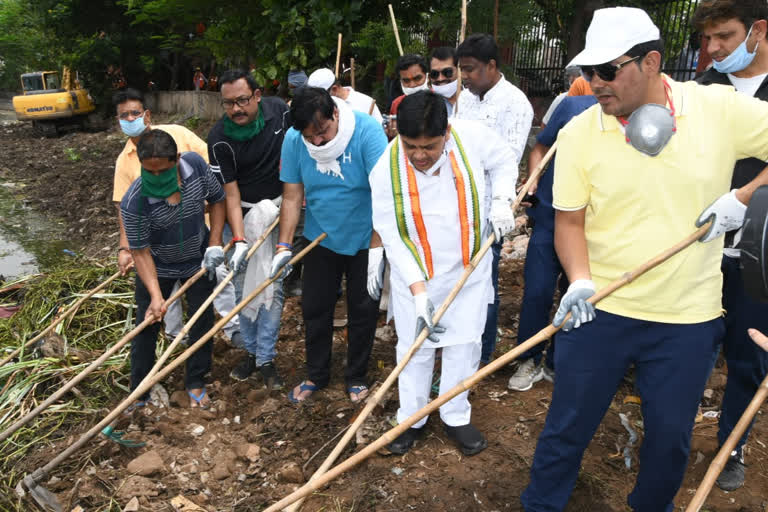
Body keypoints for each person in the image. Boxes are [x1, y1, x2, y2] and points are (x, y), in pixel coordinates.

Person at [520, 7, 768, 511]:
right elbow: (569, 221)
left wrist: (743, 197)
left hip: (686, 320)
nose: (595, 83)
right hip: (600, 310)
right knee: (566, 426)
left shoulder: (717, 109)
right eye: (588, 72)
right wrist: (581, 280)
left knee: (669, 440)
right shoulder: (580, 132)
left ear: (653, 62)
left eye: (608, 70)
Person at [370, 91, 516, 456]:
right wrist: (420, 294)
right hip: (415, 274)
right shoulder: (384, 170)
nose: (419, 156)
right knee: (414, 348)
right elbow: (393, 238)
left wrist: (500, 201)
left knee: (463, 344)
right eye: (410, 146)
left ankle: (455, 414)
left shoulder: (473, 137)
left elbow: (504, 161)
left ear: (446, 132)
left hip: (468, 268)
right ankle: (411, 417)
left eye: (429, 147)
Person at [693, 0, 768, 492]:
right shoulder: (703, 90)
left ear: (757, 30)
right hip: (700, 245)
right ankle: (672, 434)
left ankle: (732, 445)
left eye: (724, 36)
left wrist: (745, 197)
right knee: (693, 343)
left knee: (747, 353)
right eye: (708, 39)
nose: (714, 49)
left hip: (758, 252)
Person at [271, 86, 387, 403]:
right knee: (315, 307)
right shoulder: (295, 141)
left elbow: (384, 195)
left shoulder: (366, 132)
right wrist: (283, 247)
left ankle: (356, 376)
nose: (318, 141)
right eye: (311, 137)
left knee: (363, 307)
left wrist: (377, 249)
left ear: (334, 112)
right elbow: (293, 197)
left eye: (322, 131)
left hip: (366, 235)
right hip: (321, 236)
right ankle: (316, 375)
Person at [112, 88, 240, 346]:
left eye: (134, 113)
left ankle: (232, 328)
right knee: (166, 295)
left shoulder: (178, 136)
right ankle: (176, 338)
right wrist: (125, 247)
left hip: (198, 231)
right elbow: (124, 208)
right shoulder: (124, 161)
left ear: (146, 115)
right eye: (123, 116)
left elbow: (210, 172)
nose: (129, 119)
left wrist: (205, 216)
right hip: (161, 242)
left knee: (218, 278)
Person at [120, 129, 226, 409]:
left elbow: (217, 199)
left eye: (163, 172)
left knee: (201, 322)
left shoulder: (195, 166)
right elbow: (140, 252)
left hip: (198, 260)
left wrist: (214, 243)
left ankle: (195, 381)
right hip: (158, 267)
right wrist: (156, 296)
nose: (156, 178)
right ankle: (139, 393)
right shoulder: (135, 201)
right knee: (147, 327)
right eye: (149, 172)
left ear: (176, 159)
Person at [507, 94, 597, 392]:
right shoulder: (574, 107)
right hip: (551, 215)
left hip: (593, 225)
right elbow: (542, 146)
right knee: (537, 290)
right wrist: (533, 179)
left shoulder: (639, 118)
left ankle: (558, 361)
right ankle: (528, 357)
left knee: (577, 293)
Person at [207, 69, 290, 388]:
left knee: (272, 284)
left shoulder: (279, 112)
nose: (236, 109)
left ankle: (266, 358)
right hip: (238, 214)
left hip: (277, 211)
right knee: (243, 285)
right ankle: (252, 352)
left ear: (257, 96)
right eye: (228, 104)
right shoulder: (219, 139)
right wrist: (239, 239)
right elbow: (230, 192)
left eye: (242, 100)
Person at [455, 33, 534, 365]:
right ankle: (459, 345)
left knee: (482, 283)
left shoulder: (516, 104)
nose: (465, 77)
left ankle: (481, 355)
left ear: (491, 66)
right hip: (458, 202)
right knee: (457, 278)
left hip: (490, 208)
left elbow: (506, 159)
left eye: (470, 70)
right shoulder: (466, 99)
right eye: (462, 70)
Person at [306, 68, 383, 123]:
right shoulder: (319, 109)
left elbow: (380, 132)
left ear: (334, 89)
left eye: (320, 96)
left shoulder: (365, 102)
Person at [387, 54, 429, 138]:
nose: (412, 85)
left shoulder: (440, 100)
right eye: (406, 80)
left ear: (427, 76)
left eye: (417, 78)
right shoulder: (396, 104)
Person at [428, 46, 460, 117]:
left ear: (459, 70)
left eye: (447, 72)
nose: (440, 79)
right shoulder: (426, 105)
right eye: (434, 74)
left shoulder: (474, 99)